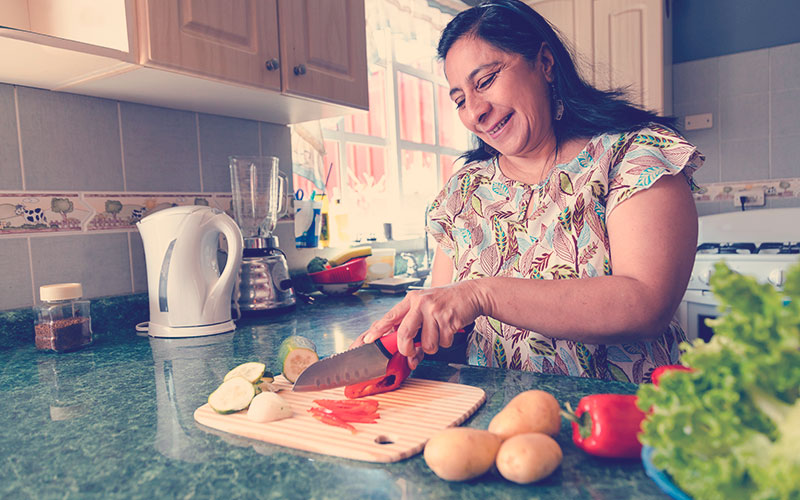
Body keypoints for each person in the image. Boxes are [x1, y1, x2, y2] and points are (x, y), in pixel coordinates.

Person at [356, 0, 704, 383]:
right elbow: (446, 326)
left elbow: (645, 305)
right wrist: (403, 340)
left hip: (628, 421)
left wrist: (481, 294)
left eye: (485, 81)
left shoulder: (632, 156)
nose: (474, 112)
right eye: (459, 100)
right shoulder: (464, 192)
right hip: (499, 423)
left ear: (545, 63)